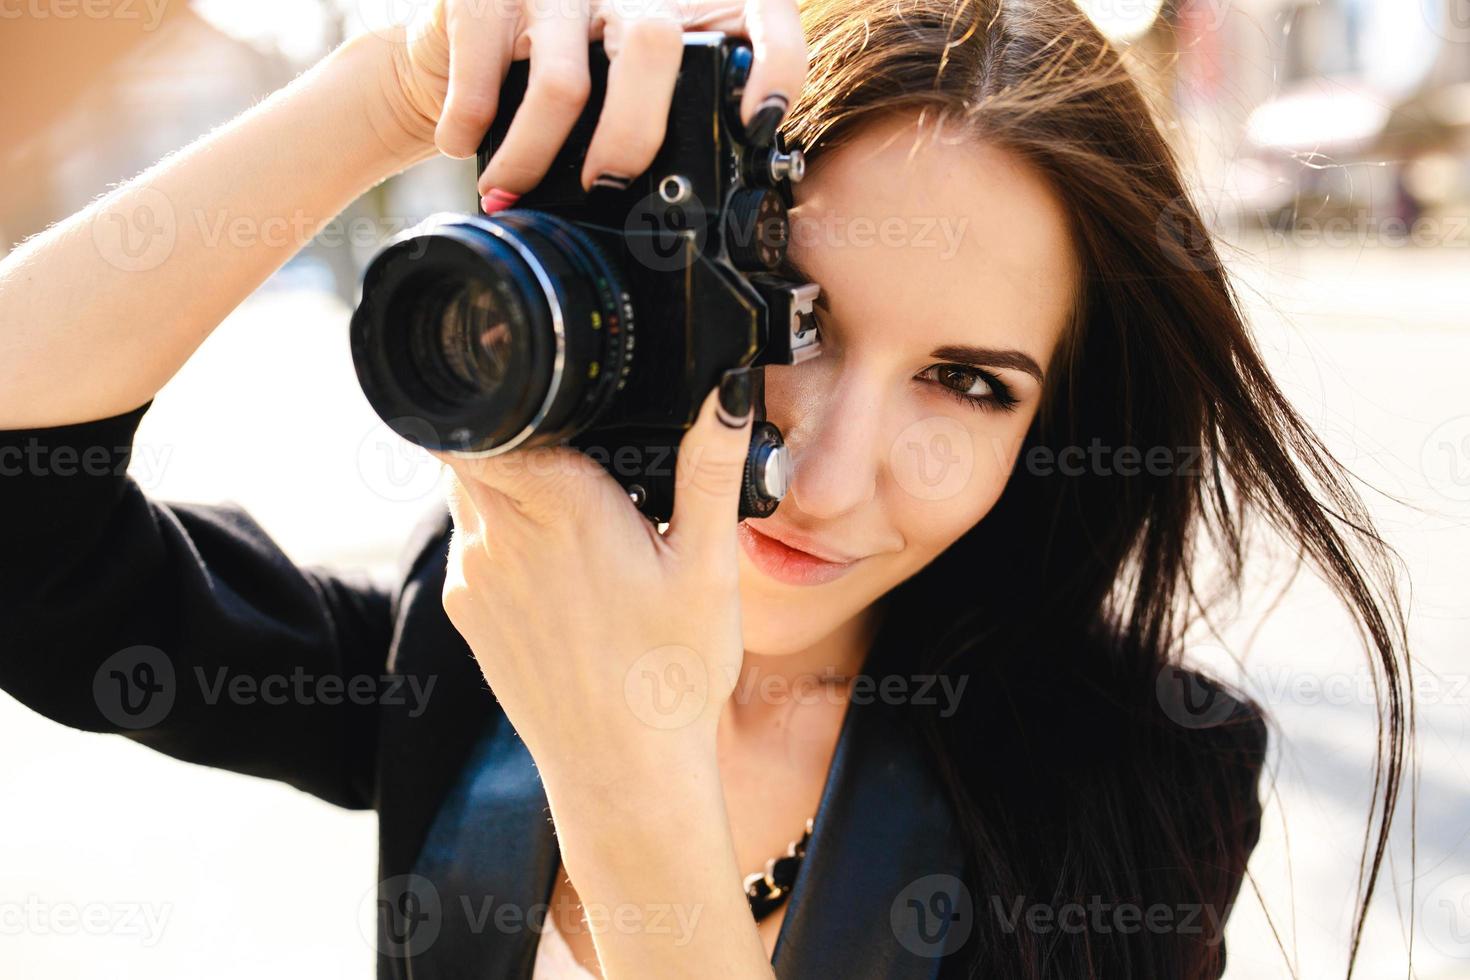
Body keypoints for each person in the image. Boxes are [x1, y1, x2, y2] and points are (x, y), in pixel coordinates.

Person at [0, 0, 1411, 977]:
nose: (827, 473)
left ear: (1051, 429)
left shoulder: (1137, 782)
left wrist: (627, 774)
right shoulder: (491, 621)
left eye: (965, 384)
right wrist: (389, 88)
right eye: (791, 320)